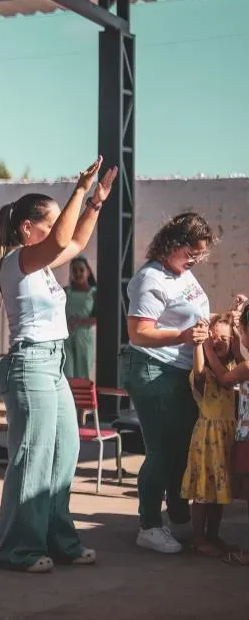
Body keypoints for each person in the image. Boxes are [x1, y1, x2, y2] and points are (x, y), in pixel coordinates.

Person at [0, 157, 117, 574]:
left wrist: (95, 203)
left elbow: (73, 243)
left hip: (52, 364)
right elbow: (63, 243)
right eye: (53, 220)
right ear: (28, 228)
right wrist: (78, 191)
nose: (61, 226)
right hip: (30, 364)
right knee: (34, 457)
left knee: (65, 453)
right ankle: (18, 549)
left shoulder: (40, 264)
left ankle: (59, 540)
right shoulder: (19, 260)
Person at [122, 212, 217, 555]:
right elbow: (139, 332)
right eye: (192, 253)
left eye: (200, 255)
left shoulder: (182, 274)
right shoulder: (150, 279)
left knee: (183, 448)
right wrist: (184, 335)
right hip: (153, 370)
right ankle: (148, 525)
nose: (195, 260)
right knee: (162, 452)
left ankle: (176, 514)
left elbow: (194, 316)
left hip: (178, 371)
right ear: (173, 244)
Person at [182, 315, 239, 557]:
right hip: (207, 439)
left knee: (220, 492)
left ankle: (213, 534)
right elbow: (198, 371)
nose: (217, 342)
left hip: (227, 439)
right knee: (204, 493)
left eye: (224, 338)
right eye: (213, 338)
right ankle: (198, 538)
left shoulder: (234, 370)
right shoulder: (205, 371)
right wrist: (199, 343)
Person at [64, 256, 97, 379]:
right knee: (67, 373)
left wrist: (79, 322)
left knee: (83, 375)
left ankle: (82, 398)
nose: (78, 273)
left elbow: (99, 318)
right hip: (66, 337)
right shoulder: (65, 291)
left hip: (84, 338)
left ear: (88, 272)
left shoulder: (94, 293)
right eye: (74, 270)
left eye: (81, 270)